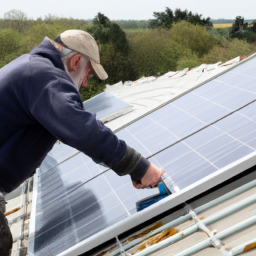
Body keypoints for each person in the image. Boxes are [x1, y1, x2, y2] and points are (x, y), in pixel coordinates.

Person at [0, 30, 165, 255]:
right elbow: (82, 129)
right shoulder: (44, 76)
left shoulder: (30, 67)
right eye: (87, 74)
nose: (86, 84)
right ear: (76, 61)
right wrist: (140, 167)